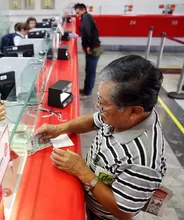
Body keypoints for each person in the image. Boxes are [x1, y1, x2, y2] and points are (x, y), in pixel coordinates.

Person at [35, 55, 166, 220]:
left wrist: (82, 171)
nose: (98, 107)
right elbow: (92, 121)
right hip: (89, 201)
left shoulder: (144, 159)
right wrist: (60, 128)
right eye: (99, 99)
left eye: (103, 104)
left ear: (134, 111)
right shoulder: (117, 117)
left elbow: (124, 212)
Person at [74, 3, 102, 99]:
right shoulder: (86, 17)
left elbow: (87, 33)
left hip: (93, 48)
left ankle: (88, 92)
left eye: (77, 12)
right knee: (88, 69)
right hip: (92, 47)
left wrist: (88, 46)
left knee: (90, 71)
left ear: (83, 9)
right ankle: (86, 89)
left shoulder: (86, 17)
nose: (76, 14)